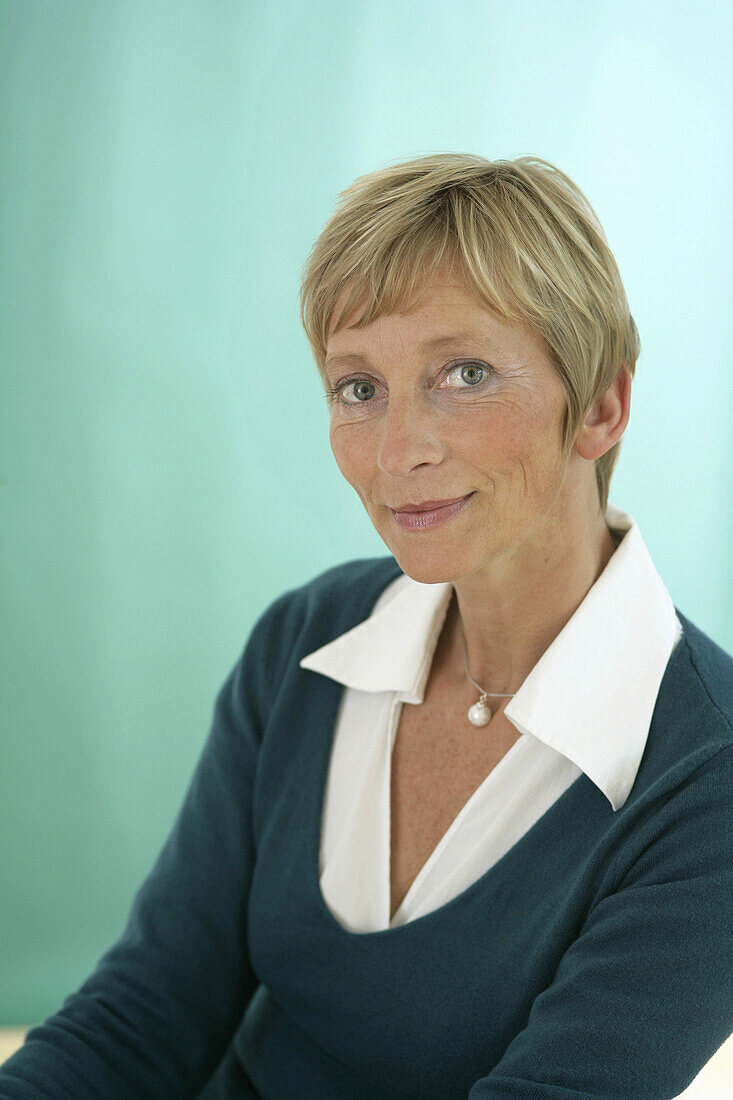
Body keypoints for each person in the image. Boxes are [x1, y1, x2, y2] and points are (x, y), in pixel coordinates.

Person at [2, 153, 732, 1100]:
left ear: (599, 406)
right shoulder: (304, 642)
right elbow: (143, 1018)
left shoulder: (705, 778)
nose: (396, 452)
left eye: (463, 373)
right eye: (357, 388)